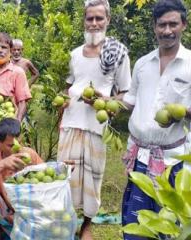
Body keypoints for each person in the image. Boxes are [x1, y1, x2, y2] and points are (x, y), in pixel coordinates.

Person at [56, 0, 132, 239]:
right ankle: (67, 220)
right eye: (90, 18)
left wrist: (107, 101)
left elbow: (125, 93)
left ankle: (86, 224)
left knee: (93, 177)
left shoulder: (117, 53)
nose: (95, 23)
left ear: (107, 20)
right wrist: (61, 104)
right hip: (70, 122)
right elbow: (67, 87)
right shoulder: (74, 54)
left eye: (100, 18)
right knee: (66, 176)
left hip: (96, 126)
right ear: (84, 21)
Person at [121, 0, 191, 239]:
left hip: (172, 161)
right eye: (162, 24)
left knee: (168, 225)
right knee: (138, 223)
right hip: (140, 157)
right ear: (154, 26)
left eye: (173, 24)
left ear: (183, 25)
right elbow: (129, 101)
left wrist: (183, 113)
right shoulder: (142, 63)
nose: (167, 30)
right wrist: (105, 103)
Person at [0, 118, 43, 240]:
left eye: (18, 142)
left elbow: (47, 177)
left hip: (29, 210)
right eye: (10, 145)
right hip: (6, 211)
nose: (17, 148)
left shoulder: (29, 154)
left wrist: (63, 169)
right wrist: (3, 164)